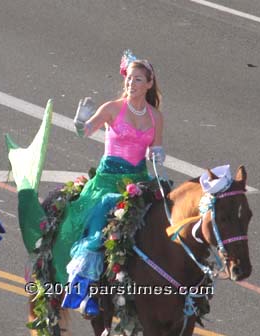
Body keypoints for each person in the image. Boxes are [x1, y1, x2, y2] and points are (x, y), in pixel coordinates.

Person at [57, 50, 165, 316]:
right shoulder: (112, 108)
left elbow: (156, 149)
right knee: (100, 221)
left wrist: (157, 155)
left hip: (139, 179)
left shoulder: (155, 117)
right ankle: (85, 288)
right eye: (129, 79)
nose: (131, 84)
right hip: (107, 181)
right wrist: (80, 121)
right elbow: (85, 133)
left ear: (149, 84)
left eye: (138, 79)